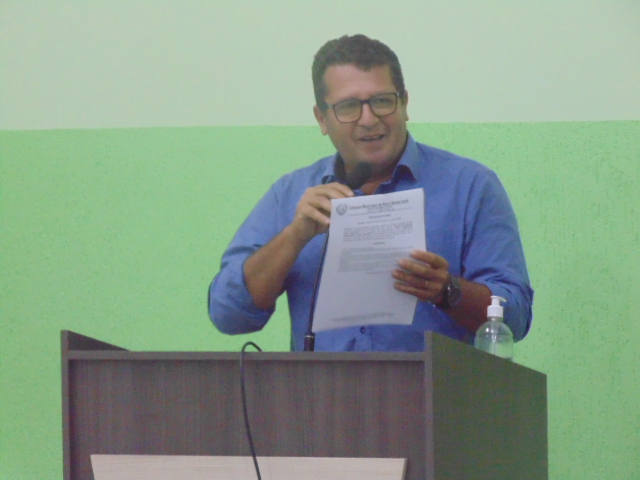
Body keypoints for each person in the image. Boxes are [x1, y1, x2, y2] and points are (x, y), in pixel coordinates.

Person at [208, 34, 533, 352]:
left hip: (435, 388)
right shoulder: (290, 194)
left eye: (382, 101)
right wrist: (294, 237)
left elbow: (515, 317)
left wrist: (448, 290)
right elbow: (228, 313)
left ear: (405, 104)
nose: (368, 119)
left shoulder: (470, 187)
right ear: (322, 118)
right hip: (318, 389)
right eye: (348, 106)